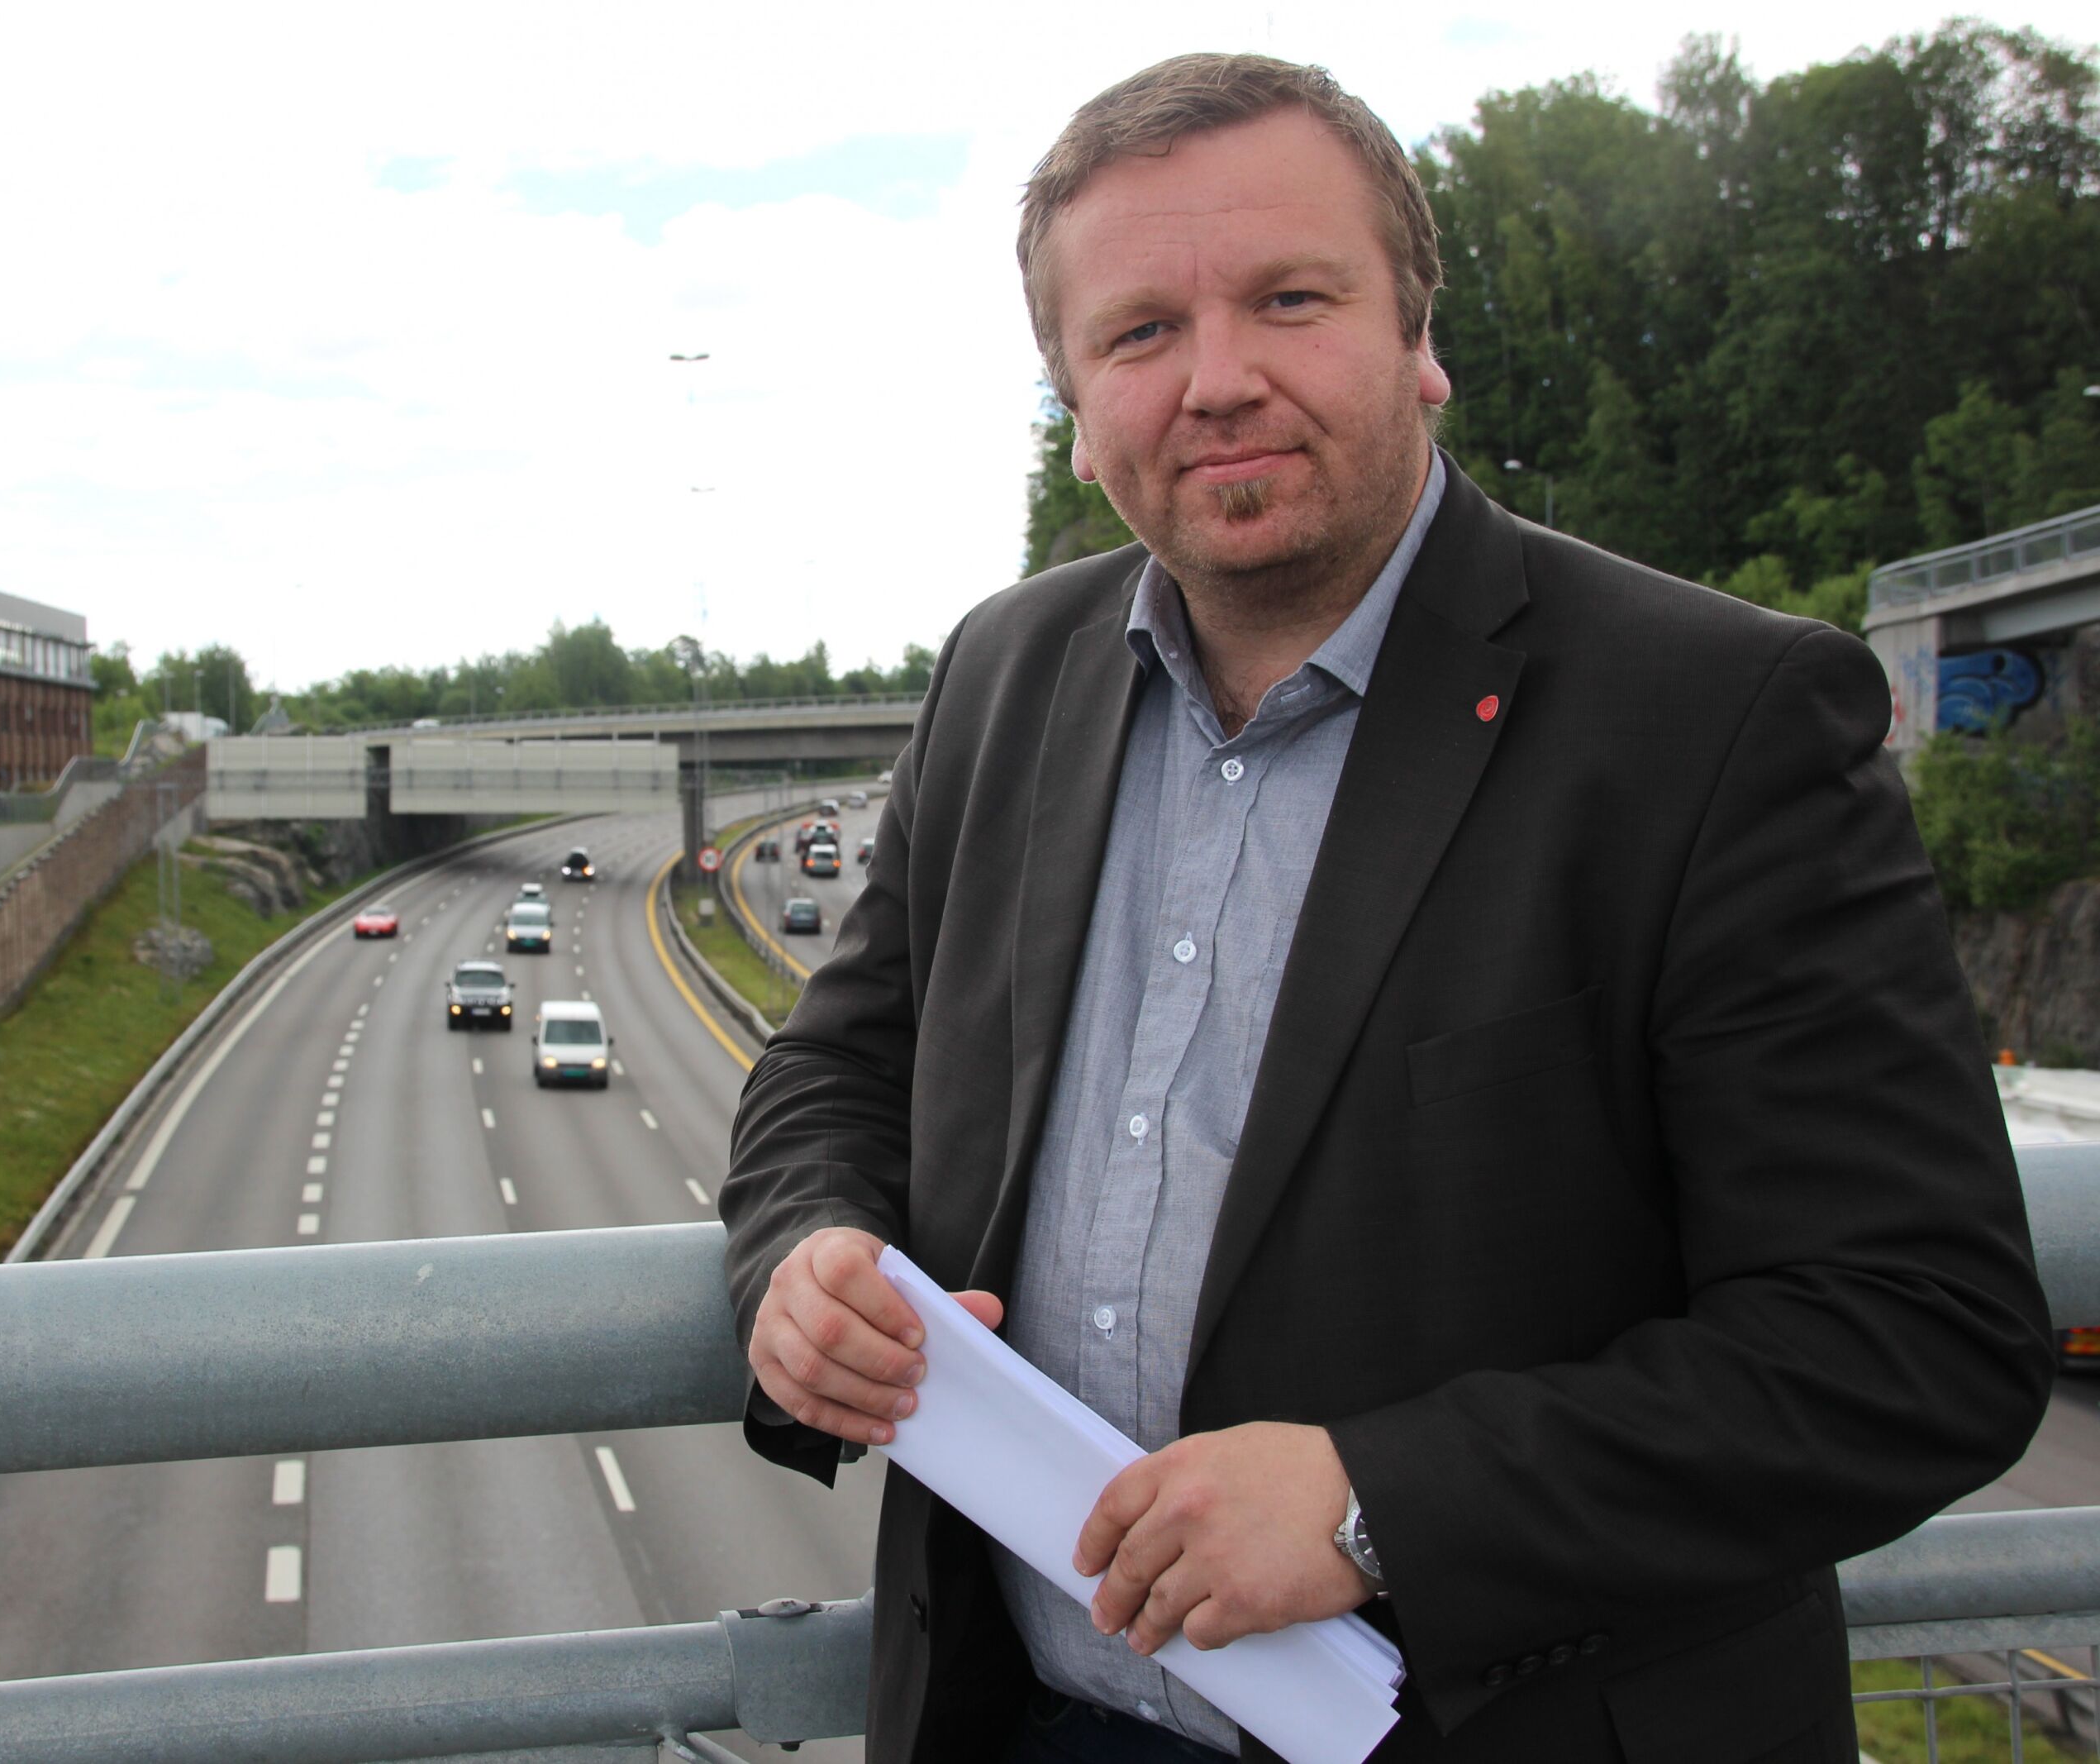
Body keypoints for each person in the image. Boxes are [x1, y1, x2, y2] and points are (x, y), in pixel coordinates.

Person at [719, 51, 2053, 1764]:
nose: (1216, 379)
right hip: (1022, 1714)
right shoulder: (1002, 673)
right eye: (1137, 333)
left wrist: (1375, 1504)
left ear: (1418, 336)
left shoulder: (1717, 721)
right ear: (1073, 400)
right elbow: (836, 1063)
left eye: (1288, 298)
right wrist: (805, 1250)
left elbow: (1910, 1335)